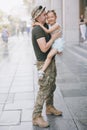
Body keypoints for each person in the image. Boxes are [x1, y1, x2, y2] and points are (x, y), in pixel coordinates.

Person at [31, 5, 62, 128]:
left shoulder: (46, 27)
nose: (46, 16)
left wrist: (57, 45)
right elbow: (44, 48)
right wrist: (54, 37)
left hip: (51, 62)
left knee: (51, 86)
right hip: (44, 63)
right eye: (44, 14)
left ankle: (49, 107)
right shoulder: (37, 30)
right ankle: (36, 116)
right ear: (38, 16)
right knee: (44, 89)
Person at [33, 10, 64, 79]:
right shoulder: (50, 24)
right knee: (49, 56)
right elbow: (45, 22)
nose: (50, 19)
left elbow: (48, 31)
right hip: (55, 42)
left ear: (56, 17)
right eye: (48, 17)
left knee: (49, 56)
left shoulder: (56, 25)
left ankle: (42, 71)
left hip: (58, 43)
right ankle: (40, 64)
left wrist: (39, 24)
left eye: (52, 17)